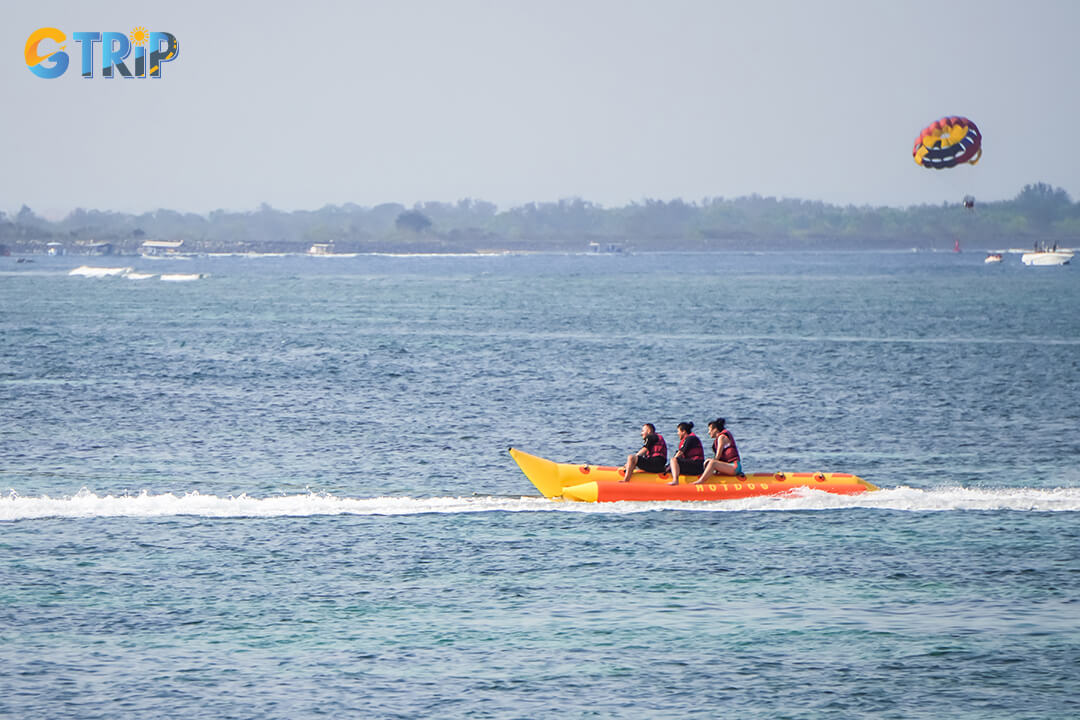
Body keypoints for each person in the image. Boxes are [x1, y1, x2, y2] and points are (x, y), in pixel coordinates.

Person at [695, 418, 745, 484]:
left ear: (715, 429)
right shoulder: (720, 437)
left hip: (734, 467)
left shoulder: (722, 437)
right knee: (708, 462)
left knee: (713, 463)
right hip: (728, 466)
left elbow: (718, 456)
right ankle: (707, 477)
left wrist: (711, 463)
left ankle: (701, 481)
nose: (708, 432)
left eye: (709, 430)